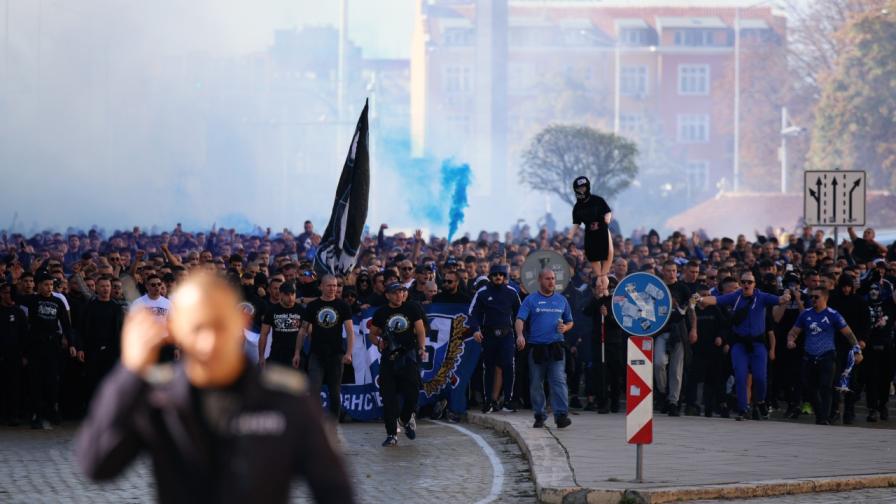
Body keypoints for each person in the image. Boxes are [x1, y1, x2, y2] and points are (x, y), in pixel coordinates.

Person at [75, 272, 355, 503]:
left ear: (241, 322)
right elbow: (97, 465)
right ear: (175, 329)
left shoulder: (285, 398)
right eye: (197, 327)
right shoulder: (159, 397)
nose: (208, 342)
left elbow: (335, 491)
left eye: (219, 325)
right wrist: (129, 372)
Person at [698, 271, 790, 420]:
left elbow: (779, 300)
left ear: (754, 284)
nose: (746, 284)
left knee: (760, 377)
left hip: (758, 344)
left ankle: (759, 401)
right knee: (740, 376)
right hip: (739, 343)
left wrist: (785, 297)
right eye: (744, 282)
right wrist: (701, 298)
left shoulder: (762, 296)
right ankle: (743, 408)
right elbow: (717, 299)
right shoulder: (736, 296)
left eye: (749, 282)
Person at [785, 287, 863, 425]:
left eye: (816, 297)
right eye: (811, 297)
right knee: (809, 388)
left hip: (827, 355)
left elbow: (849, 334)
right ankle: (820, 414)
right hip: (809, 356)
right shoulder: (805, 314)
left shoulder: (833, 315)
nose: (813, 299)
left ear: (825, 298)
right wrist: (791, 340)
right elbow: (794, 331)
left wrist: (857, 351)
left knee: (826, 386)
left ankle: (823, 418)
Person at [369, 282, 426, 447]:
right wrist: (378, 342)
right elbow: (372, 334)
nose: (399, 295)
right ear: (387, 295)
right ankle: (391, 434)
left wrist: (422, 348)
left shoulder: (412, 308)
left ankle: (406, 418)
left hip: (408, 356)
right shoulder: (381, 312)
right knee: (388, 397)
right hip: (389, 358)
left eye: (401, 291)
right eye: (395, 292)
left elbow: (421, 330)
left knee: (413, 391)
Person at [515, 269, 574, 429]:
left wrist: (565, 328)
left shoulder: (561, 300)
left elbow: (570, 321)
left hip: (556, 347)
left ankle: (561, 416)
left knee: (559, 381)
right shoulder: (530, 300)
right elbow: (520, 319)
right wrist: (520, 335)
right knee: (536, 383)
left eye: (553, 279)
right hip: (537, 348)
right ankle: (539, 415)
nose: (551, 282)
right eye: (548, 279)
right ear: (540, 280)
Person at [21, 273, 75, 428]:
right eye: (46, 284)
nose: (49, 287)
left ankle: (52, 410)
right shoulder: (32, 300)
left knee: (52, 380)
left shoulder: (58, 301)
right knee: (35, 381)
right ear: (38, 286)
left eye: (51, 285)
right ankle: (36, 414)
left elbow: (66, 324)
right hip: (35, 346)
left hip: (53, 346)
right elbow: (12, 295)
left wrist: (71, 344)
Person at [297, 275, 354, 419]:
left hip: (336, 354)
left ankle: (334, 424)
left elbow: (350, 331)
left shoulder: (342, 306)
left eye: (335, 285)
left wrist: (349, 353)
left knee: (335, 391)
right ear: (321, 287)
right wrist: (297, 352)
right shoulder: (313, 306)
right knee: (314, 389)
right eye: (329, 285)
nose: (333, 289)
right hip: (316, 354)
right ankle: (314, 422)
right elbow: (303, 330)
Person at [468, 264, 522, 413]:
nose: (498, 276)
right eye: (495, 274)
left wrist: (520, 335)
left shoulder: (512, 292)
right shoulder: (482, 292)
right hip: (489, 334)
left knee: (508, 365)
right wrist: (475, 330)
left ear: (505, 277)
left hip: (507, 334)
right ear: (490, 276)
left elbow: (521, 314)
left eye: (501, 274)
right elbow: (473, 313)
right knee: (488, 367)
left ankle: (508, 400)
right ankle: (489, 401)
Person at [653, 261, 697, 416]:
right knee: (658, 363)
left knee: (676, 370)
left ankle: (673, 402)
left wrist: (694, 329)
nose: (671, 273)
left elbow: (691, 310)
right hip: (660, 331)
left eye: (674, 270)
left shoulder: (683, 288)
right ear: (663, 271)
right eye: (668, 270)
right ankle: (663, 392)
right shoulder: (657, 286)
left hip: (678, 332)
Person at [569, 176, 613, 296]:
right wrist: (570, 235)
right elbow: (576, 223)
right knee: (593, 256)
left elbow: (607, 211)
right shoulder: (577, 207)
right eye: (579, 188)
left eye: (583, 187)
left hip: (603, 230)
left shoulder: (598, 200)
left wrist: (607, 218)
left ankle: (604, 277)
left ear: (587, 187)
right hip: (590, 233)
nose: (582, 190)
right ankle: (601, 279)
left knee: (608, 252)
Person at [863, 283, 894, 421]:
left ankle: (883, 405)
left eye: (876, 289)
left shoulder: (889, 304)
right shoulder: (864, 304)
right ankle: (872, 408)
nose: (874, 292)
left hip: (887, 346)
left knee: (885, 378)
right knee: (871, 378)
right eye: (871, 289)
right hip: (870, 346)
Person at [0, 282, 28, 425]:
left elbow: (24, 335)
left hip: (15, 355)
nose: (8, 295)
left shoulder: (19, 312)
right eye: (5, 292)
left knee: (14, 386)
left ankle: (13, 415)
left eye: (10, 293)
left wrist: (24, 355)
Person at [258, 282, 303, 367]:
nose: (290, 298)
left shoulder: (301, 310)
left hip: (296, 355)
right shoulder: (272, 310)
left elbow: (307, 332)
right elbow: (263, 334)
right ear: (281, 294)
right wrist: (261, 356)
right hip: (276, 355)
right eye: (287, 295)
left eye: (293, 294)